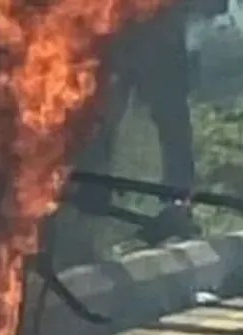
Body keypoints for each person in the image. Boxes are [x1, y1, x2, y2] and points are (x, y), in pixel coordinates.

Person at [81, 0, 227, 242]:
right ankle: (95, 189)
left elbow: (213, 6)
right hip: (123, 44)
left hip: (159, 48)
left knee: (172, 128)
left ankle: (178, 202)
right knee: (103, 121)